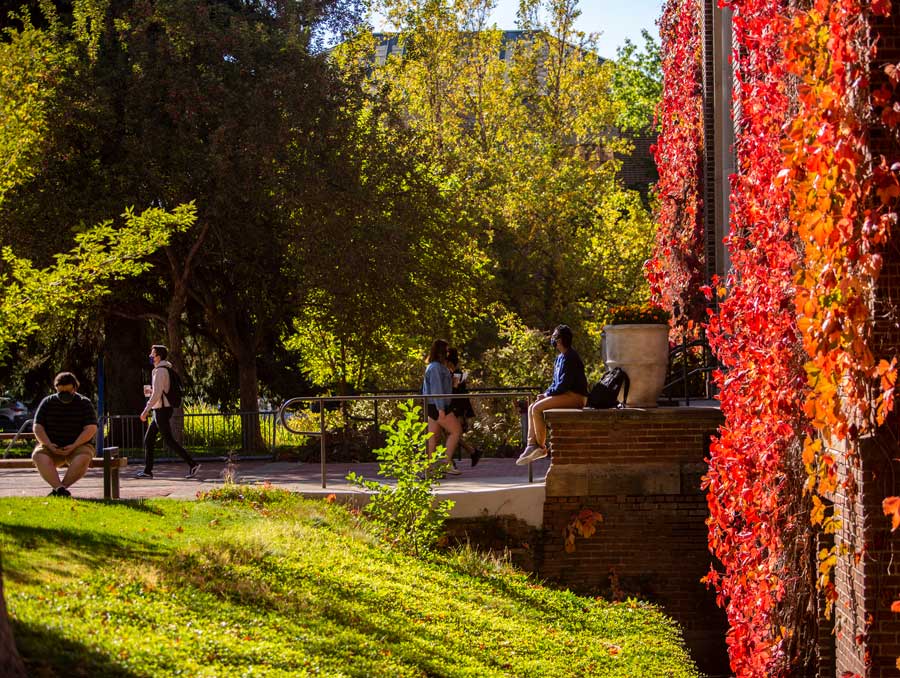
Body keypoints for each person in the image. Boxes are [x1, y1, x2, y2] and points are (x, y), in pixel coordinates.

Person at [516, 324, 588, 465]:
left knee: (537, 408)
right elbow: (555, 383)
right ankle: (532, 445)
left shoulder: (571, 357)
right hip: (565, 394)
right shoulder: (560, 358)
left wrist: (548, 394)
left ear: (560, 340)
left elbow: (563, 385)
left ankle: (540, 448)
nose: (553, 339)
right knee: (532, 406)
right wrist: (545, 394)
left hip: (576, 397)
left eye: (555, 336)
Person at [136, 345, 200, 479]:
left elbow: (157, 394)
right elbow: (159, 391)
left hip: (162, 410)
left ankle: (193, 464)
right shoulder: (162, 370)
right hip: (160, 410)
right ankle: (147, 471)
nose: (150, 356)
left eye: (152, 353)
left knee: (169, 440)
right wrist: (151, 394)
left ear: (158, 356)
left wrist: (145, 410)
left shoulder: (160, 371)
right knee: (149, 439)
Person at [31, 372, 98, 497]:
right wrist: (49, 445)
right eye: (60, 391)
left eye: (67, 391)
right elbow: (38, 427)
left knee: (83, 457)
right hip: (51, 445)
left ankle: (61, 489)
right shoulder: (47, 402)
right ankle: (59, 488)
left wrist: (74, 445)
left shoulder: (84, 403)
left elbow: (91, 428)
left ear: (75, 388)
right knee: (38, 455)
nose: (64, 395)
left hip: (78, 446)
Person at [422, 339, 462, 475]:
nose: (448, 352)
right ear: (441, 351)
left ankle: (429, 468)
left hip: (433, 405)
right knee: (456, 431)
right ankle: (446, 462)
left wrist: (452, 381)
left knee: (432, 437)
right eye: (446, 350)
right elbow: (436, 389)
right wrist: (441, 410)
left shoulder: (438, 367)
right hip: (438, 406)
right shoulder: (435, 368)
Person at [446, 347, 482, 467]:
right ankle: (471, 452)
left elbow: (454, 389)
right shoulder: (456, 374)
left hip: (457, 408)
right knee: (450, 433)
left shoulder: (457, 374)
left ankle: (452, 460)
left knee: (452, 433)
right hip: (455, 407)